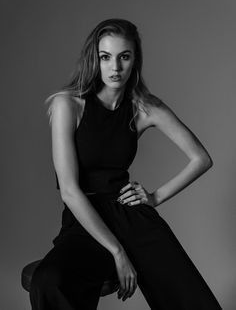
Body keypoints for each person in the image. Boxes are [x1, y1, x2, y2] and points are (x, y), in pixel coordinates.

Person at [29, 18, 222, 309]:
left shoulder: (144, 108)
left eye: (124, 57)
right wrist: (118, 252)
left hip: (132, 217)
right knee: (50, 281)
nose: (115, 67)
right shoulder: (68, 105)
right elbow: (69, 190)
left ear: (135, 60)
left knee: (192, 300)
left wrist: (155, 197)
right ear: (94, 59)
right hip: (85, 218)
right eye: (105, 57)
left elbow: (202, 159)